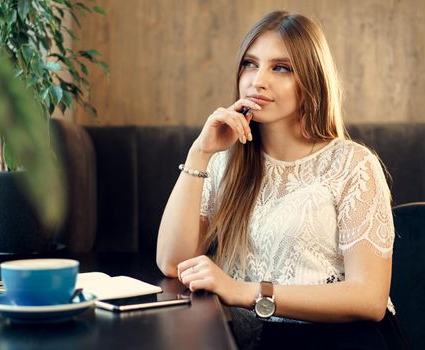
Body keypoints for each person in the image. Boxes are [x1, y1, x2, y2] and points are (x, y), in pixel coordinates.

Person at [156, 10, 409, 349]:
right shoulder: (223, 163)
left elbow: (370, 299)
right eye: (250, 63)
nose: (258, 80)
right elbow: (173, 263)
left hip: (348, 341)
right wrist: (199, 153)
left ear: (312, 80)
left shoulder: (353, 164)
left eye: (281, 68)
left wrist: (246, 291)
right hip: (263, 342)